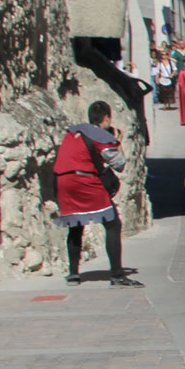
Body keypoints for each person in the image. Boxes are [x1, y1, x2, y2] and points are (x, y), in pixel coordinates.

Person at [43, 101, 140, 287]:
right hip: (84, 181)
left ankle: (73, 274)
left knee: (75, 223)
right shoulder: (100, 135)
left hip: (62, 181)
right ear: (106, 118)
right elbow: (119, 164)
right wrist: (117, 142)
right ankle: (117, 274)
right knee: (112, 224)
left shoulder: (72, 133)